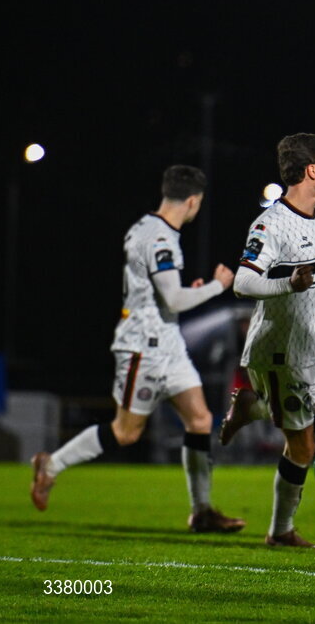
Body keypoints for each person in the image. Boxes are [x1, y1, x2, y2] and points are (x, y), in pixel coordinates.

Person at [29, 165, 245, 533]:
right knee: (126, 432)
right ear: (193, 201)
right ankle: (50, 465)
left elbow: (161, 293)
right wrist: (215, 286)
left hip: (168, 345)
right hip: (143, 349)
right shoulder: (161, 240)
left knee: (200, 420)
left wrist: (182, 292)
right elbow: (174, 298)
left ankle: (203, 511)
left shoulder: (144, 227)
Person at [232, 133, 315, 547]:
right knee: (303, 448)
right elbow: (243, 282)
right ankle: (280, 532)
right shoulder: (271, 224)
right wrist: (289, 284)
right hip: (279, 352)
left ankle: (254, 406)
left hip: (311, 345)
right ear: (312, 169)